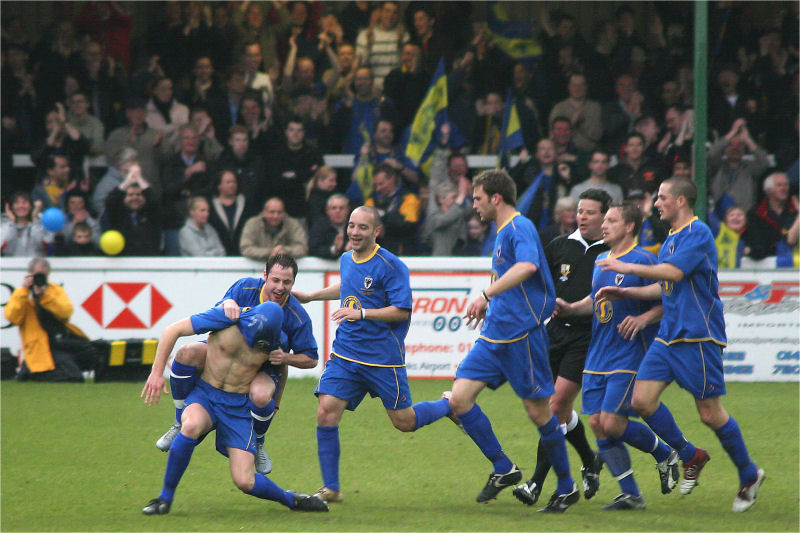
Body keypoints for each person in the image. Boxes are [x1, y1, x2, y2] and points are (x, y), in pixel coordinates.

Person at [595, 178, 765, 513]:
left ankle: (749, 474)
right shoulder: (671, 238)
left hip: (697, 336)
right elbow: (664, 286)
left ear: (681, 200)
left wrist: (626, 267)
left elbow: (672, 274)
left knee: (710, 414)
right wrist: (626, 292)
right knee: (641, 401)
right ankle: (691, 456)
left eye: (662, 198)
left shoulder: (698, 233)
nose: (656, 204)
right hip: (668, 335)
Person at [292, 206, 454, 503]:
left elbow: (401, 310)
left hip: (382, 360)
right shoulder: (345, 258)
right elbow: (347, 286)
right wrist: (312, 296)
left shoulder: (391, 266)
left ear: (376, 231)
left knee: (404, 422)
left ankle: (449, 405)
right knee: (326, 411)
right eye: (351, 226)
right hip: (346, 354)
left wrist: (362, 313)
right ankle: (331, 488)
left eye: (362, 228)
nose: (354, 232)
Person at [442, 168, 580, 512]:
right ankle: (503, 467)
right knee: (459, 399)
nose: (474, 205)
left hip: (521, 335)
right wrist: (493, 304)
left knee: (539, 413)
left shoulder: (520, 226)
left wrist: (486, 295)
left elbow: (528, 267)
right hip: (495, 334)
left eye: (477, 198)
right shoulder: (504, 230)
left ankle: (566, 487)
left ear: (496, 198)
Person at [140, 300, 328, 515]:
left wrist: (276, 403)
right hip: (206, 396)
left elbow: (282, 369)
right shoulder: (228, 316)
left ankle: (291, 499)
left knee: (244, 481)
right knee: (190, 425)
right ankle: (164, 498)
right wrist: (155, 373)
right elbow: (172, 330)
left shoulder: (276, 342)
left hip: (237, 409)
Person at [554, 202, 679, 510]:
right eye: (605, 219)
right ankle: (631, 494)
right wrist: (572, 308)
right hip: (597, 354)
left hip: (629, 354)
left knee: (611, 422)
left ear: (629, 227)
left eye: (612, 220)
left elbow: (670, 301)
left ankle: (666, 454)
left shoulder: (644, 261)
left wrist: (643, 319)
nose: (605, 225)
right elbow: (597, 303)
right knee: (597, 423)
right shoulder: (601, 261)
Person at [154, 254, 319, 477]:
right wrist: (227, 302)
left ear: (293, 283)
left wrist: (287, 358)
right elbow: (220, 310)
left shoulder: (297, 316)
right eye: (275, 280)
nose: (280, 287)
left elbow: (312, 359)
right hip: (227, 353)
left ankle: (258, 442)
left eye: (287, 282)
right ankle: (178, 422)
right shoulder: (245, 287)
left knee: (261, 396)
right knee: (186, 353)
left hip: (264, 366)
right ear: (265, 276)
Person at [514, 189, 610, 506]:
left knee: (553, 408)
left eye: (590, 212)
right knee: (559, 410)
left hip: (586, 338)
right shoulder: (559, 245)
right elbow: (538, 282)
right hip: (552, 334)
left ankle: (536, 483)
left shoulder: (610, 253)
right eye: (580, 211)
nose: (582, 216)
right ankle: (590, 459)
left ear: (605, 216)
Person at [4, 258, 97, 382]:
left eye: (44, 275)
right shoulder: (21, 294)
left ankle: (56, 367)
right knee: (73, 377)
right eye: (37, 275)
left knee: (93, 352)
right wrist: (23, 291)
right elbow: (12, 318)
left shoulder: (54, 290)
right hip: (41, 345)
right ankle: (31, 373)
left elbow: (66, 313)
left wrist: (45, 296)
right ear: (29, 274)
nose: (40, 278)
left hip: (60, 340)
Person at [105, 164, 163, 256]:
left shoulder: (151, 214)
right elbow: (110, 200)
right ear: (124, 198)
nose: (135, 198)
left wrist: (139, 178)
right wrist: (127, 181)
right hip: (122, 262)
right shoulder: (118, 214)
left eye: (139, 195)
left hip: (148, 261)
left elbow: (154, 200)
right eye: (130, 195)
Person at [364, 163, 420, 255]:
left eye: (381, 184)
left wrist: (383, 216)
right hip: (376, 255)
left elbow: (407, 225)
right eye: (376, 185)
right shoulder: (371, 200)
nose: (378, 188)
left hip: (403, 254)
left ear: (392, 179)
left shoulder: (409, 198)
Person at [239, 197, 308, 261]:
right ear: (264, 212)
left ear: (284, 213)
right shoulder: (252, 224)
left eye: (279, 212)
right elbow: (245, 248)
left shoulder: (292, 224)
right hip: (257, 268)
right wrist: (271, 252)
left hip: (285, 268)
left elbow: (302, 248)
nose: (275, 216)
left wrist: (285, 250)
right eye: (272, 212)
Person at [207, 169, 256, 256]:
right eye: (228, 182)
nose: (232, 185)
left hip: (242, 254)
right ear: (219, 186)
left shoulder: (246, 204)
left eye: (234, 182)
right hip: (219, 255)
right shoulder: (210, 206)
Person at [1, 191, 50, 257]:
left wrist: (35, 218)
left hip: (35, 265)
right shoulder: (4, 224)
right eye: (17, 203)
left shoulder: (41, 221)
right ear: (11, 207)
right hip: (11, 265)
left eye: (24, 203)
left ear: (30, 206)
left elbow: (43, 244)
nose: (21, 206)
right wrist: (11, 223)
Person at [308, 194, 351, 259]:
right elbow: (313, 249)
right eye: (334, 208)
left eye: (341, 208)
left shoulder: (354, 227)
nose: (338, 211)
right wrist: (334, 249)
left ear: (348, 210)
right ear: (327, 210)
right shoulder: (319, 226)